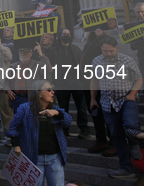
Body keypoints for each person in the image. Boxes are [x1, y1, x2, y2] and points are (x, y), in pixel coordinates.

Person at [91, 36, 143, 178]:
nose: (108, 54)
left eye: (111, 51)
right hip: (108, 103)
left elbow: (139, 78)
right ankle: (125, 167)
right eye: (105, 51)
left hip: (126, 99)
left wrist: (132, 94)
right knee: (116, 134)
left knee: (131, 125)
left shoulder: (127, 60)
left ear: (117, 48)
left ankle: (134, 144)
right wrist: (93, 99)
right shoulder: (96, 61)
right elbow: (94, 80)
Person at [7, 80, 72, 186]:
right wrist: (16, 144)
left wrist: (57, 113)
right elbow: (13, 127)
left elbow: (68, 121)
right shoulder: (25, 109)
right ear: (39, 93)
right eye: (49, 90)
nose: (53, 92)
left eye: (53, 89)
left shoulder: (55, 109)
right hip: (33, 157)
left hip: (54, 157)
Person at [51, 28, 90, 139]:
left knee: (81, 106)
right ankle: (64, 129)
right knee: (63, 107)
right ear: (60, 36)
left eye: (68, 34)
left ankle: (84, 129)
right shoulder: (55, 50)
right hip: (61, 82)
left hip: (76, 80)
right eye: (64, 34)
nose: (66, 35)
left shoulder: (76, 49)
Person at [5, 48, 46, 114]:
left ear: (31, 54)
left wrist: (41, 54)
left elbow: (49, 69)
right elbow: (6, 81)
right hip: (16, 98)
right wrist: (8, 90)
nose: (22, 55)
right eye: (20, 53)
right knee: (18, 120)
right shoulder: (14, 66)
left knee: (31, 119)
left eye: (25, 53)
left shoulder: (37, 65)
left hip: (30, 98)